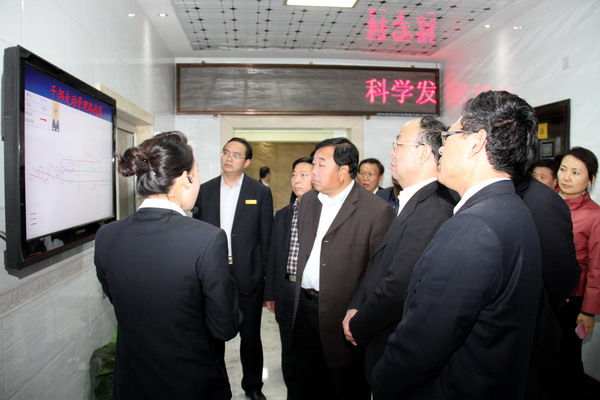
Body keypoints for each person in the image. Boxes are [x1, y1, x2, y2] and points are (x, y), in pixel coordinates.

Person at [371, 90, 543, 399]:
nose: (441, 148)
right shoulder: (512, 209)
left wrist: (381, 383)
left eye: (449, 136)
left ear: (476, 142)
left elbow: (423, 342)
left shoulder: (473, 227)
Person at [94, 131, 240, 400]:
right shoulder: (207, 239)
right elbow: (225, 326)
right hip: (191, 383)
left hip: (133, 384)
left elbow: (120, 300)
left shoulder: (106, 236)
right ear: (185, 178)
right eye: (197, 172)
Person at [343, 117, 456, 383]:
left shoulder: (434, 208)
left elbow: (399, 284)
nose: (392, 152)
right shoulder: (411, 199)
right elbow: (379, 263)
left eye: (398, 145)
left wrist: (359, 324)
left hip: (397, 343)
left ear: (423, 152)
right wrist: (355, 305)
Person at [292, 138, 392, 400]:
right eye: (313, 163)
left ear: (344, 169)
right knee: (304, 383)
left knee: (344, 386)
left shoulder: (376, 210)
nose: (313, 171)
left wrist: (359, 311)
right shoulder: (307, 201)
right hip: (304, 309)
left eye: (320, 164)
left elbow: (377, 271)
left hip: (343, 316)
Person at [193, 137, 273, 400]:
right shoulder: (204, 190)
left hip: (248, 275)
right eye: (226, 152)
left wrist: (265, 279)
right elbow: (195, 235)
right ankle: (218, 387)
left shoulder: (259, 192)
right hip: (212, 274)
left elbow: (266, 239)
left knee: (250, 337)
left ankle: (253, 387)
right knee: (213, 335)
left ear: (247, 162)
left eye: (236, 155)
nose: (229, 158)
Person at [514, 173, 580, 399]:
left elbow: (563, 270)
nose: (567, 177)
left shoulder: (544, 202)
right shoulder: (508, 192)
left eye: (576, 172)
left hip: (536, 317)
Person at [264, 156, 313, 400]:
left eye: (303, 175)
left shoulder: (325, 214)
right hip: (286, 288)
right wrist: (270, 293)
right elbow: (274, 256)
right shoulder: (283, 215)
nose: (296, 180)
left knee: (311, 350)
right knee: (288, 347)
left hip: (311, 293)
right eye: (294, 174)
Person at [554, 146, 600, 399]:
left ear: (590, 179)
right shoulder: (548, 201)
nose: (566, 177)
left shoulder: (595, 216)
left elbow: (597, 268)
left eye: (576, 172)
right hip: (544, 294)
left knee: (568, 358)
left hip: (573, 300)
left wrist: (588, 311)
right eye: (563, 169)